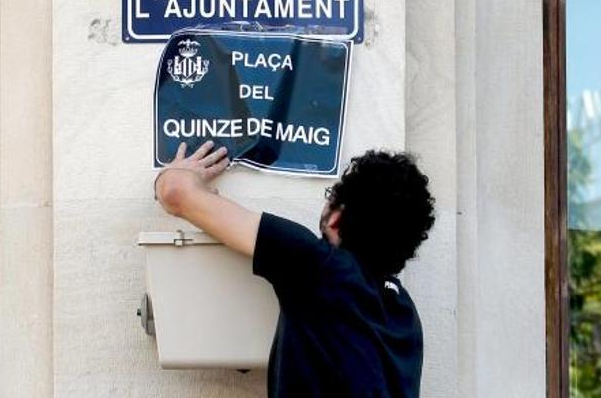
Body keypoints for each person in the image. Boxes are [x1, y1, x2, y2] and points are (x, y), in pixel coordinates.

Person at [154, 141, 435, 398]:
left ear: (337, 218)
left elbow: (175, 192)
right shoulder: (405, 315)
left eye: (331, 194)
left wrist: (172, 175)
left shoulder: (316, 266)